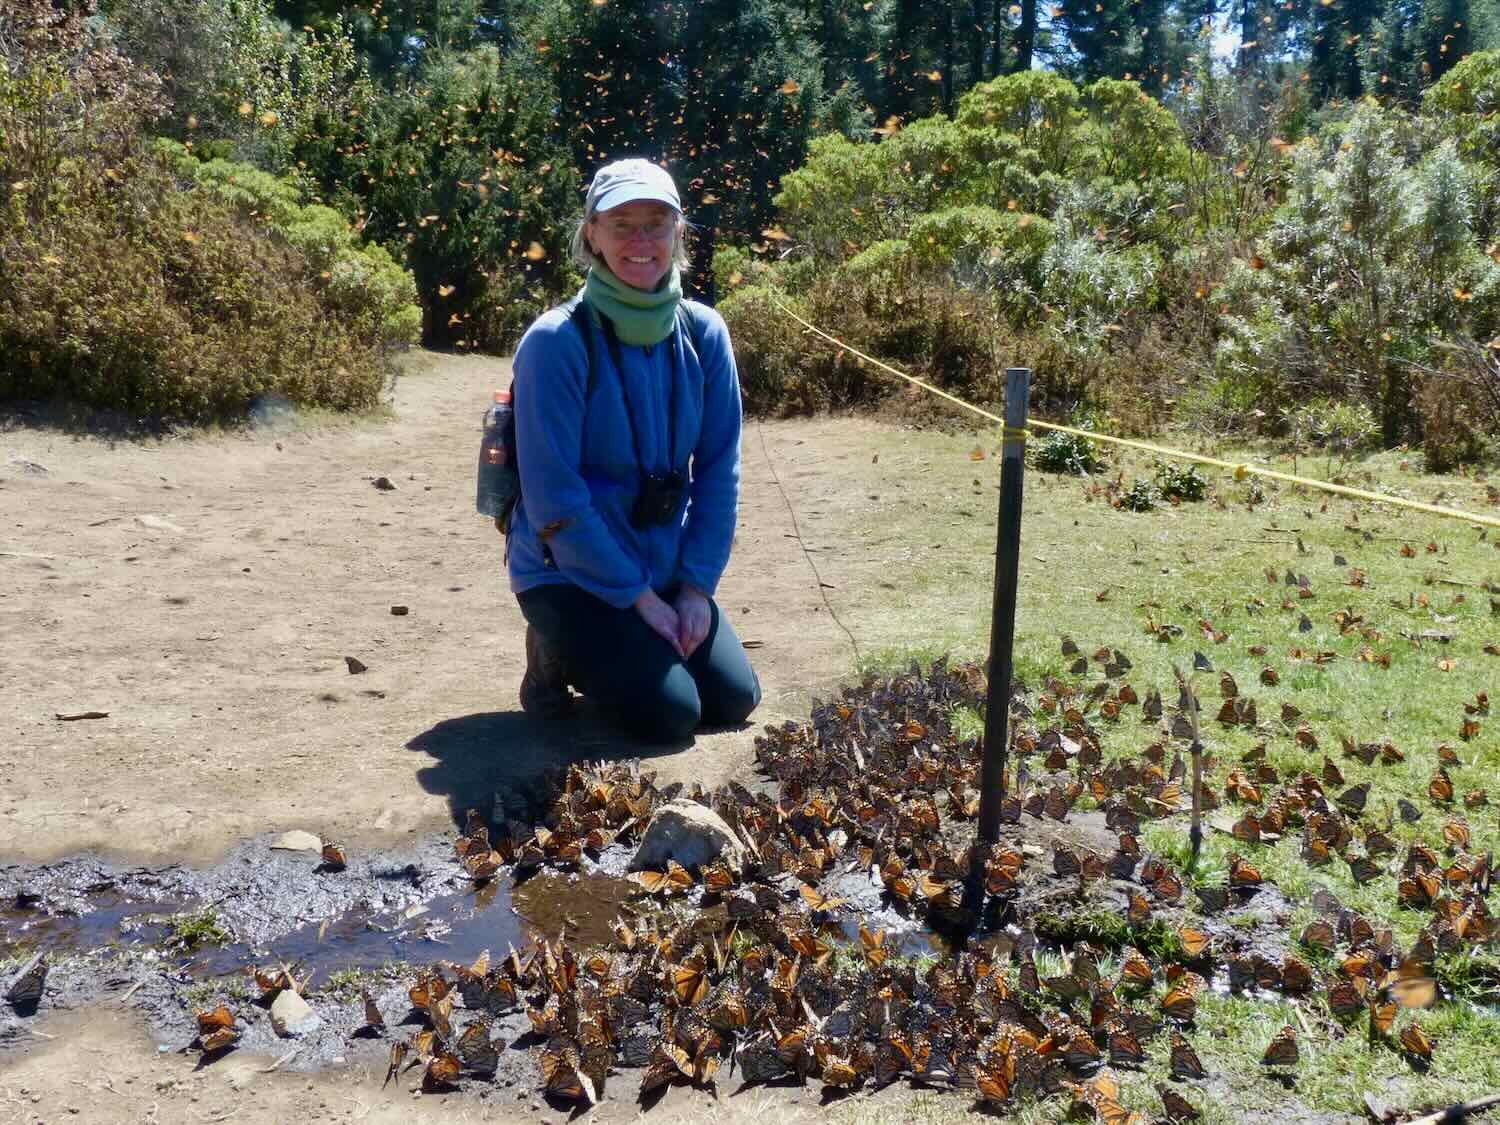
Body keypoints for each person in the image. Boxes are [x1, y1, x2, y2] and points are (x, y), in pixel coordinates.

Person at [506, 158, 761, 742]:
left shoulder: (704, 332)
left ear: (679, 233)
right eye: (621, 223)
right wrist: (642, 601)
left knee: (732, 699)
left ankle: (626, 642)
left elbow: (721, 470)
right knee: (671, 716)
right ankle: (553, 651)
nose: (640, 240)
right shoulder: (555, 342)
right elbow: (554, 499)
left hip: (668, 569)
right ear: (591, 233)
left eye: (656, 223)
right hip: (568, 574)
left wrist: (696, 589)